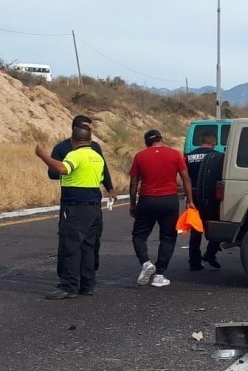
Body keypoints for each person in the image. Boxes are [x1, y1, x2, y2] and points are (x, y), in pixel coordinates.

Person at [35, 126, 105, 299]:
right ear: (89, 140)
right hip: (94, 207)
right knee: (88, 247)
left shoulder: (74, 155)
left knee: (71, 246)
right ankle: (87, 284)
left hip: (75, 206)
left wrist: (43, 155)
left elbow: (62, 169)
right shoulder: (97, 157)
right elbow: (100, 179)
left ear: (73, 140)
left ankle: (69, 286)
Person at [48, 115, 116, 272]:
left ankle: (88, 276)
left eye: (89, 129)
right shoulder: (62, 149)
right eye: (85, 127)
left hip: (93, 200)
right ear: (75, 129)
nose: (89, 131)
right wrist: (73, 172)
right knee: (68, 241)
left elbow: (103, 169)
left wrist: (110, 189)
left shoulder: (95, 148)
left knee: (91, 242)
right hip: (71, 201)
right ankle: (66, 277)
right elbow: (52, 173)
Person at [129, 129, 194, 287]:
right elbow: (186, 179)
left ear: (147, 143)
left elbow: (133, 183)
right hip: (169, 200)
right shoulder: (175, 154)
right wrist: (189, 201)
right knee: (168, 237)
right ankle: (159, 274)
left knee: (139, 235)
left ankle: (146, 263)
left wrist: (133, 204)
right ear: (161, 139)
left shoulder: (140, 156)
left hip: (148, 200)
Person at [184, 131, 222, 270]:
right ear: (213, 143)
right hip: (210, 195)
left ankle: (194, 261)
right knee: (217, 225)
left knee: (195, 229)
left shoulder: (189, 156)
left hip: (193, 194)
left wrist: (187, 197)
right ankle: (210, 254)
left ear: (201, 141)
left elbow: (185, 176)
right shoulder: (216, 156)